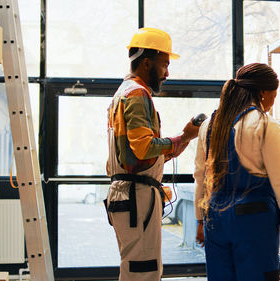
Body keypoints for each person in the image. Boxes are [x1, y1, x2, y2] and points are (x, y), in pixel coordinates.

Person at [193, 63, 280, 281]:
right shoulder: (263, 124)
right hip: (252, 222)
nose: (272, 102)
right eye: (273, 95)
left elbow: (201, 177)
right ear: (262, 93)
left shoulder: (209, 125)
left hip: (216, 220)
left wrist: (200, 221)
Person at [105, 27, 199, 281]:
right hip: (137, 198)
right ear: (147, 63)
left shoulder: (122, 94)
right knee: (143, 271)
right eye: (164, 64)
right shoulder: (137, 94)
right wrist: (179, 138)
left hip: (130, 194)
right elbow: (144, 147)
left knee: (137, 268)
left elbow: (135, 156)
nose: (167, 73)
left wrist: (181, 141)